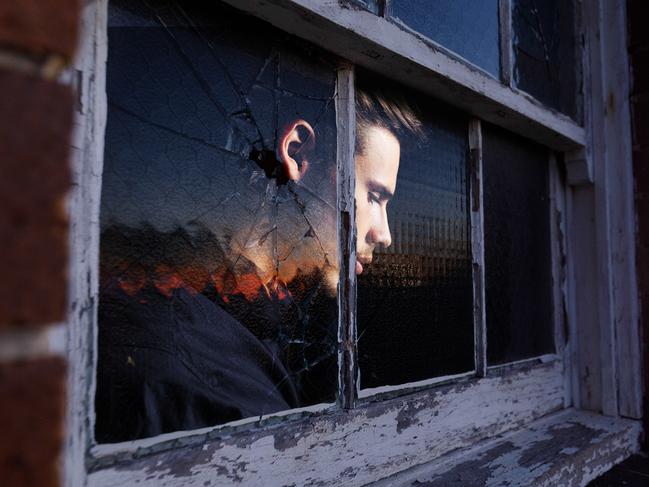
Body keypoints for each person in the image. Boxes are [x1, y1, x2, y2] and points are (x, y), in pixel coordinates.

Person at [96, 81, 421, 442]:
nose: (385, 234)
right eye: (374, 196)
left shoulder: (290, 323)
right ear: (298, 154)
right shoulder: (184, 363)